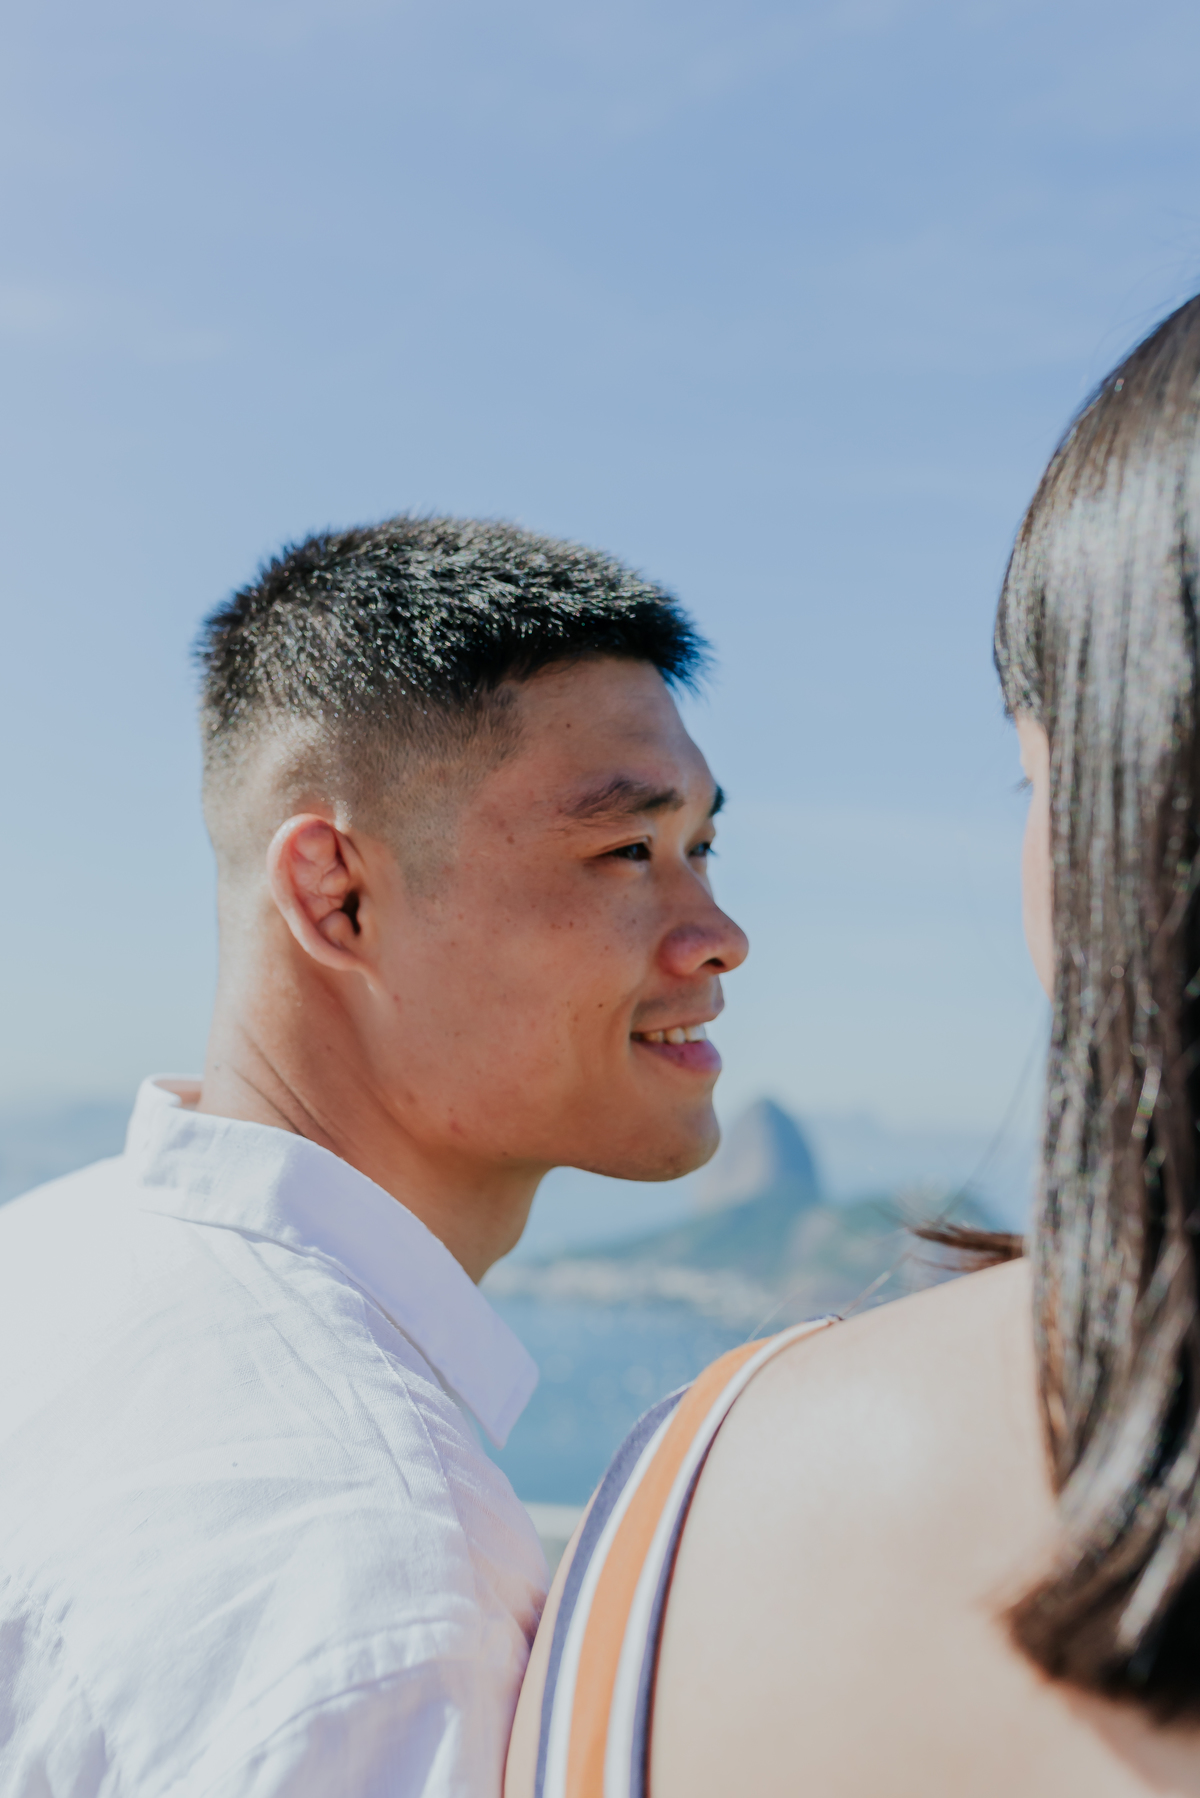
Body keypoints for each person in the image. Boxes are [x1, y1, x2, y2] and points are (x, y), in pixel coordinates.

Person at [506, 297, 1200, 1798]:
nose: (720, 936)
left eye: (1034, 777)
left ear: (1129, 818)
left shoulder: (707, 1494)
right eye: (631, 850)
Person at [0, 517, 748, 1797]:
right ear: (337, 895)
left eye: (702, 848)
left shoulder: (46, 1256)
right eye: (628, 849)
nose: (719, 934)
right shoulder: (389, 1610)